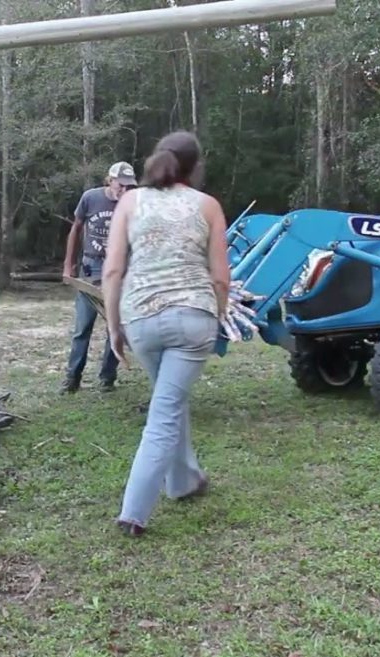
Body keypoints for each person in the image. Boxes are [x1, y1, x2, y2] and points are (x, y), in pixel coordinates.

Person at [100, 131, 231, 536]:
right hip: (192, 318)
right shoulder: (208, 206)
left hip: (140, 318)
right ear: (194, 166)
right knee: (165, 412)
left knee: (169, 399)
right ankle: (133, 512)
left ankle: (184, 480)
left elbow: (113, 269)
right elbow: (221, 277)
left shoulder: (129, 201)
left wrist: (113, 325)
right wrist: (220, 314)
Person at [60, 161, 138, 394]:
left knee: (114, 326)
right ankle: (72, 378)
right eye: (121, 185)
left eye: (129, 187)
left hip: (119, 270)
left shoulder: (133, 204)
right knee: (82, 327)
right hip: (90, 267)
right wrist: (68, 264)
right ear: (110, 180)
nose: (124, 190)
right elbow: (76, 228)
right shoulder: (91, 198)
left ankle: (107, 378)